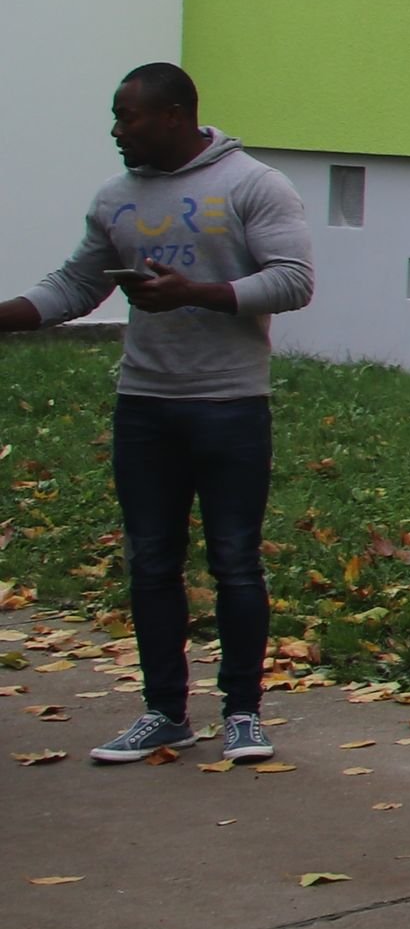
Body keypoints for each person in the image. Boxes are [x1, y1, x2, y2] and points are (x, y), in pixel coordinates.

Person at [1, 63, 314, 767]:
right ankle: (164, 713)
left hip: (230, 403)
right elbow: (74, 285)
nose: (116, 130)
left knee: (234, 559)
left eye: (128, 116)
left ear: (173, 114)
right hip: (145, 404)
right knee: (151, 561)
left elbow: (293, 280)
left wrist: (193, 293)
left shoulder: (252, 185)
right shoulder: (116, 199)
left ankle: (241, 713)